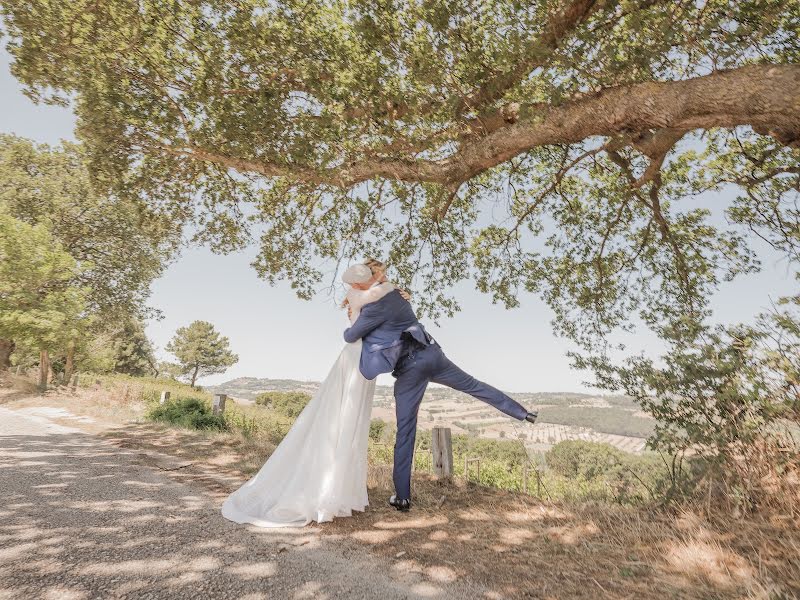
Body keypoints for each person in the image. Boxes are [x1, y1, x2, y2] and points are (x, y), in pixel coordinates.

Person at [343, 265, 537, 512]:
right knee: (474, 386)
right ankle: (523, 413)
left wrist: (354, 312)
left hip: (409, 371)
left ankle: (402, 497)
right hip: (433, 355)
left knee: (406, 432)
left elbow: (350, 336)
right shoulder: (396, 295)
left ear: (359, 285)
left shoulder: (372, 309)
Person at [220, 261, 396, 527]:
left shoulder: (364, 294)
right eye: (368, 277)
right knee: (343, 416)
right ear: (360, 282)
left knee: (354, 418)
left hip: (364, 358)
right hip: (355, 358)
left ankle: (342, 492)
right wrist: (386, 284)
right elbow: (384, 291)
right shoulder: (359, 295)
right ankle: (327, 491)